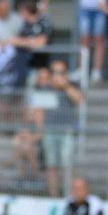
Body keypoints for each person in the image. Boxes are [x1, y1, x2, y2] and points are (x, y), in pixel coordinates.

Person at [41, 60, 84, 197]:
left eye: (61, 72)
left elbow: (80, 99)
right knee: (51, 166)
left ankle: (70, 195)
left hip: (67, 131)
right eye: (54, 72)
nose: (57, 75)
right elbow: (38, 108)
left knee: (67, 165)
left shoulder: (73, 85)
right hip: (50, 130)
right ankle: (54, 196)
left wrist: (65, 86)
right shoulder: (46, 87)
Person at [10, 0, 52, 70]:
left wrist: (24, 42)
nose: (20, 14)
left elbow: (41, 42)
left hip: (42, 63)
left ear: (27, 11)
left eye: (22, 11)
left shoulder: (43, 21)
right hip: (26, 62)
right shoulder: (24, 25)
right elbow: (14, 41)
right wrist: (33, 41)